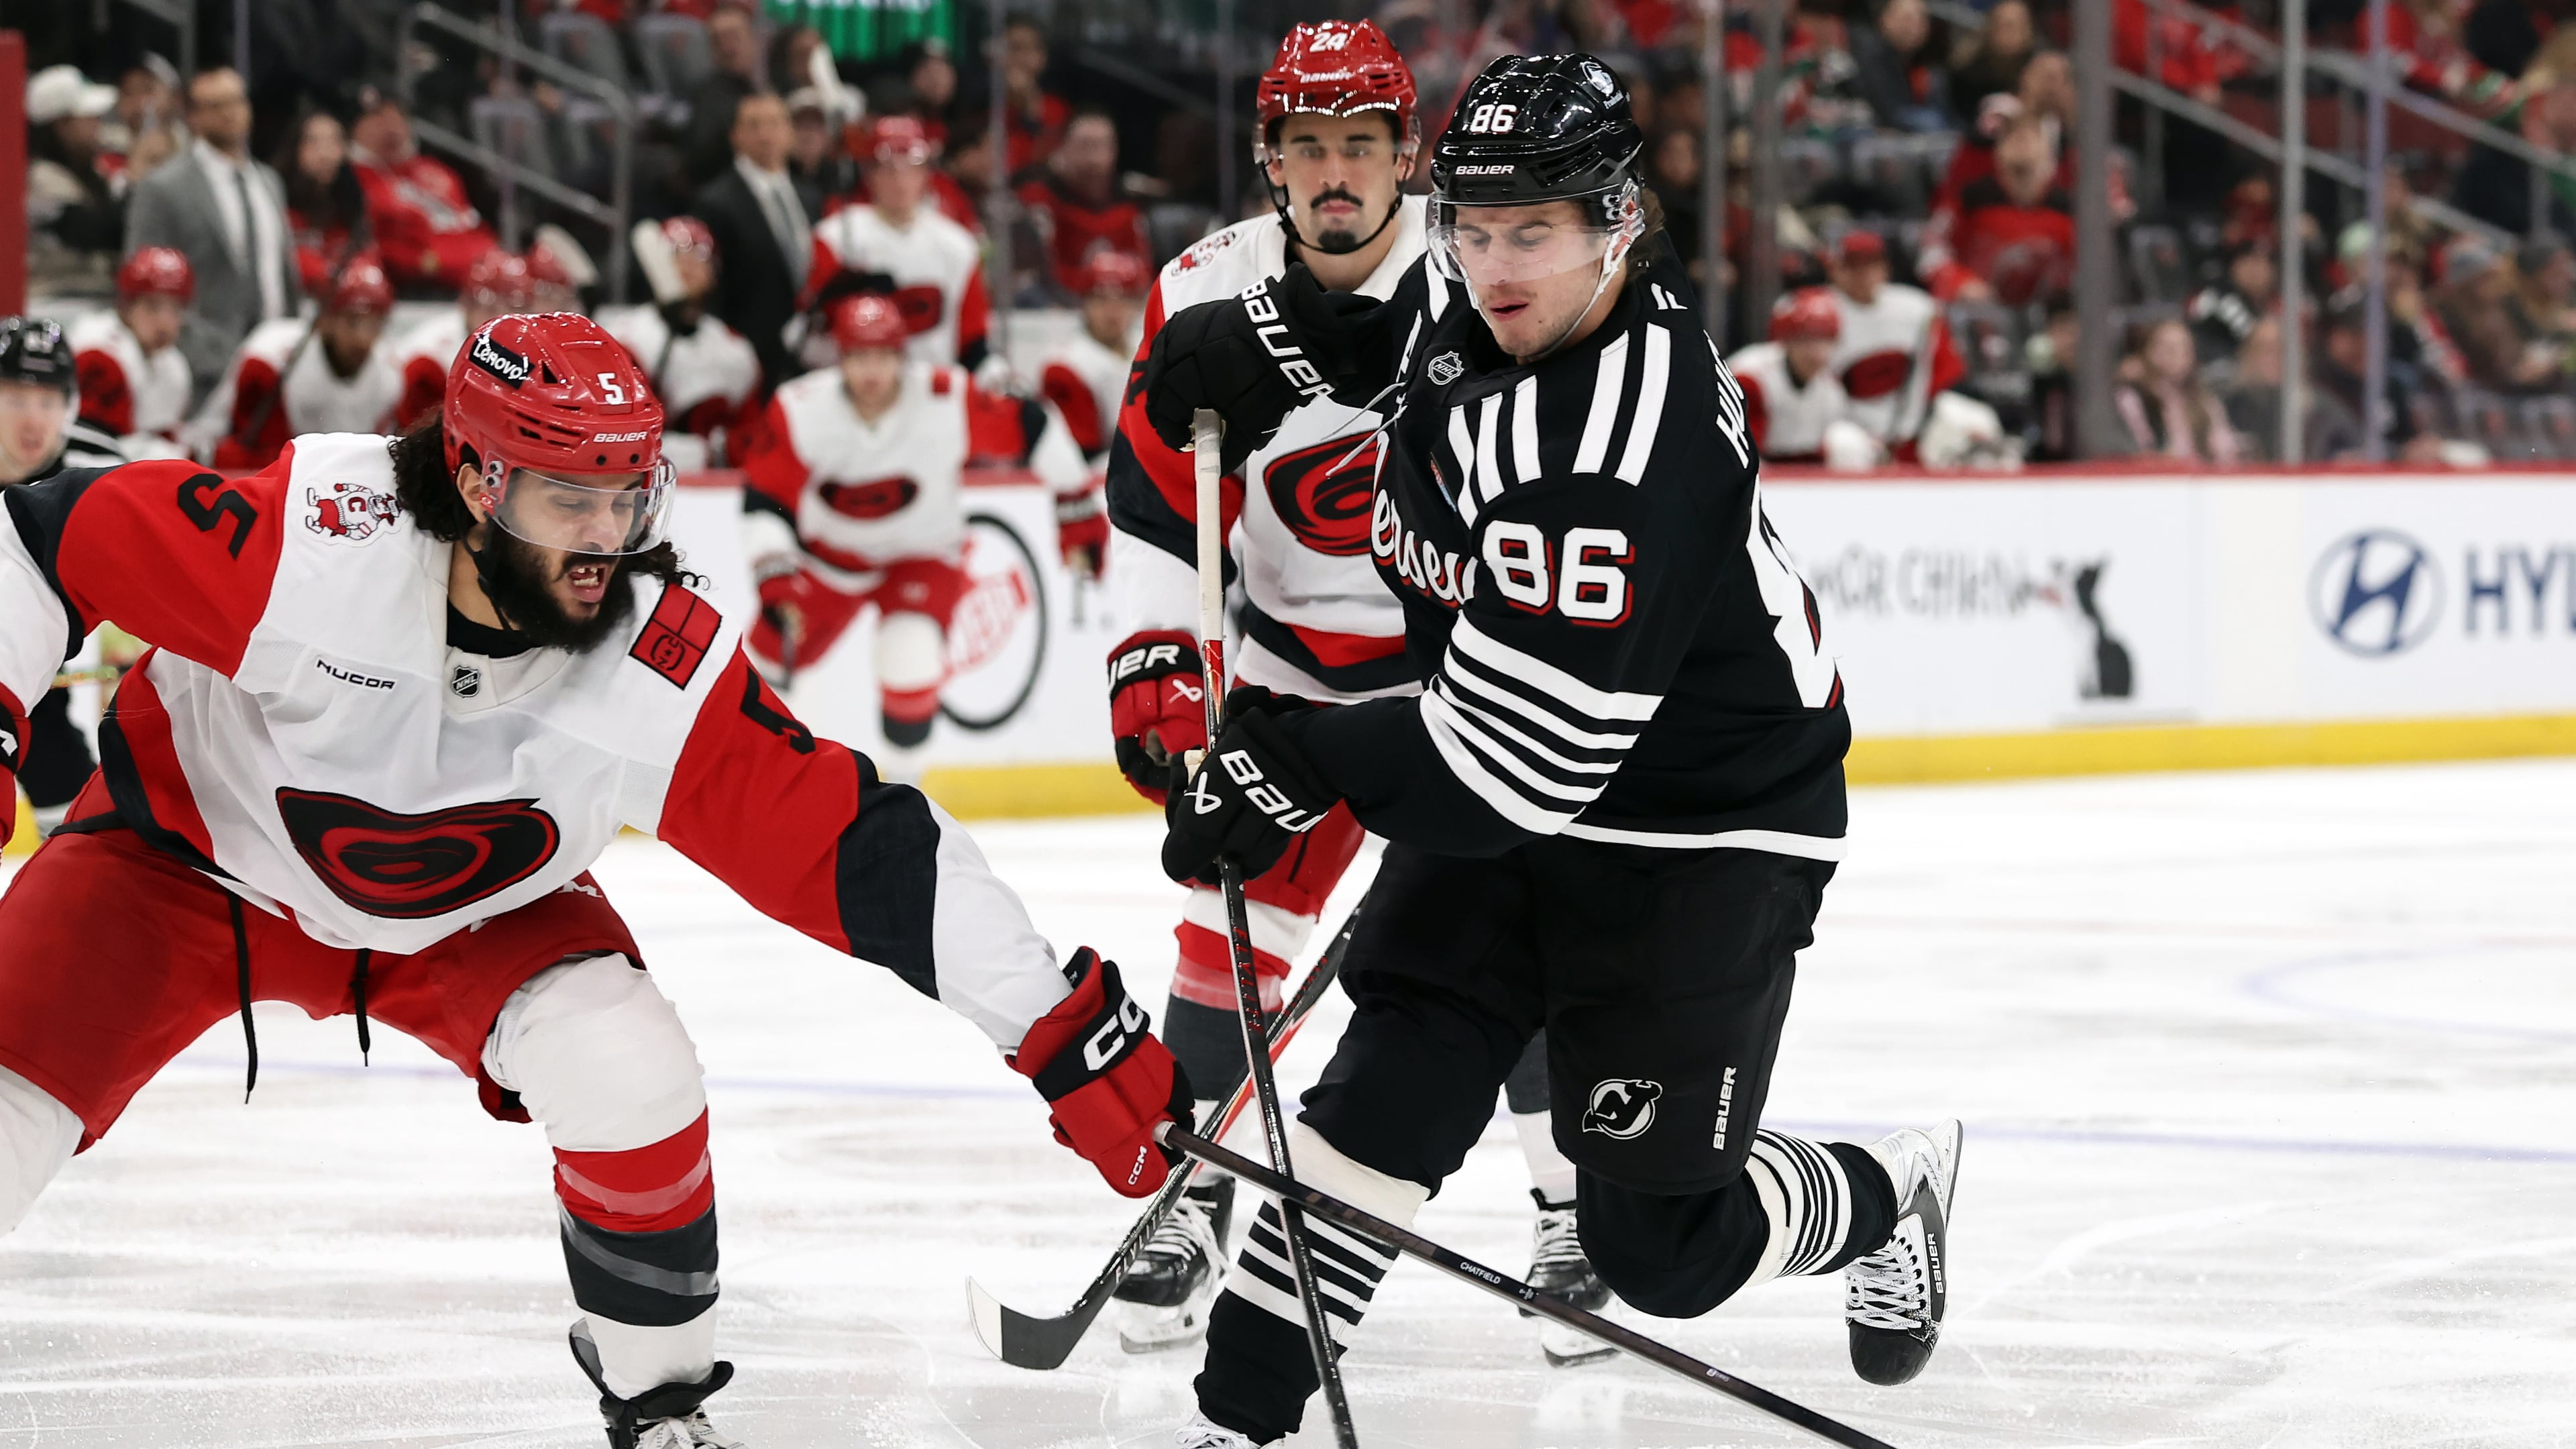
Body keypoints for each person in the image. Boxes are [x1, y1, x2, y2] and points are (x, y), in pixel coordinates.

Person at [0, 310, 1191, 1449]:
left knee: (631, 1067)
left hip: (485, 912)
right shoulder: (315, 542)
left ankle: (659, 1403)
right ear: (474, 481)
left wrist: (1059, 1025)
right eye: (570, 497)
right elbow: (43, 539)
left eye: (629, 495)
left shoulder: (647, 656)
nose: (605, 540)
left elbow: (851, 842)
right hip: (182, 868)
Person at [1133, 54, 1960, 1447]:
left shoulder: (1617, 452)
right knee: (1381, 1095)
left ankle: (1891, 1186)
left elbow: (1521, 769)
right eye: (1474, 226)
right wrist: (1277, 343)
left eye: (1536, 233)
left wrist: (1300, 755)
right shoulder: (1481, 289)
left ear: (1618, 224)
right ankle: (1243, 1419)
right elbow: (1405, 339)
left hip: (1697, 830)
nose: (1494, 264)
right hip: (1520, 755)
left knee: (1659, 1254)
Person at [1103, 25, 1633, 1371]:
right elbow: (1155, 508)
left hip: (1463, 664)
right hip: (1285, 661)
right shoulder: (1196, 284)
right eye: (1308, 147)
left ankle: (1573, 1211)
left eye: (1361, 145)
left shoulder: (1486, 266)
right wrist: (1156, 658)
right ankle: (1200, 1186)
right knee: (1224, 925)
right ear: (1271, 160)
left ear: (1407, 153)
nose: (1336, 174)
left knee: (1503, 929)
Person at [737, 294, 1099, 775]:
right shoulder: (799, 408)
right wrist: (775, 569)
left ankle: (903, 795)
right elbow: (763, 499)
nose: (872, 372)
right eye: (859, 357)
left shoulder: (946, 399)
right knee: (762, 661)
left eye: (883, 356)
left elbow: (1034, 426)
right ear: (841, 357)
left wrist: (1075, 507)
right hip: (828, 559)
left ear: (902, 356)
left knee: (909, 655)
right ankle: (756, 777)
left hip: (922, 555)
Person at [0, 318, 124, 840]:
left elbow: (132, 582)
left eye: (48, 402)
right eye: (16, 398)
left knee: (82, 834)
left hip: (42, 674)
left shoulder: (101, 466)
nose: (34, 420)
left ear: (70, 406)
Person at [124, 66, 303, 392]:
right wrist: (203, 357)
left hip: (276, 366)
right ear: (192, 117)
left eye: (236, 102)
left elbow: (281, 274)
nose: (230, 114)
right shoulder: (164, 188)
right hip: (203, 371)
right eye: (216, 106)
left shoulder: (268, 181)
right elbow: (140, 285)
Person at [805, 116, 996, 374]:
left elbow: (973, 344)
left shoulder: (958, 246)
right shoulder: (836, 238)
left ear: (926, 174)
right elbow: (809, 343)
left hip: (929, 393)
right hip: (855, 390)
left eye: (911, 166)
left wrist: (1001, 384)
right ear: (870, 174)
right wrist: (835, 304)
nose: (900, 179)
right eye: (888, 168)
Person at [189, 256, 402, 470]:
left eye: (376, 324)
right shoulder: (270, 359)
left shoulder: (389, 371)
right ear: (325, 319)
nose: (364, 338)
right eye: (352, 322)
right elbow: (257, 456)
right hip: (230, 461)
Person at [597, 216, 763, 470]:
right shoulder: (625, 337)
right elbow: (615, 430)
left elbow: (750, 436)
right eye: (675, 253)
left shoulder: (735, 348)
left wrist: (722, 449)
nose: (687, 262)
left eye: (699, 254)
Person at [695, 91, 820, 399]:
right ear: (735, 136)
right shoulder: (715, 203)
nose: (765, 135)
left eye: (775, 123)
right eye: (754, 125)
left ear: (790, 134)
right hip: (748, 355)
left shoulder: (812, 198)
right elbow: (711, 288)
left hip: (807, 353)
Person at [347, 91, 503, 293]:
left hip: (469, 282)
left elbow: (477, 232)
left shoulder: (439, 173)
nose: (391, 126)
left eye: (399, 116)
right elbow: (403, 257)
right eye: (379, 116)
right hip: (414, 292)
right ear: (355, 127)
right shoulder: (355, 180)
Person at [1826, 229, 1964, 454]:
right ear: (1834, 270)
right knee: (1845, 445)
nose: (1863, 274)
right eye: (1852, 266)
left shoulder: (1918, 309)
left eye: (1870, 265)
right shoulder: (1817, 309)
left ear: (1885, 268)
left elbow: (1945, 371)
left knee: (1971, 421)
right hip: (1847, 433)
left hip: (1910, 432)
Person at [1920, 116, 2075, 305]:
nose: (2022, 142)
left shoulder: (2069, 212)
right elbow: (1932, 251)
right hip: (1981, 313)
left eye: (2032, 136)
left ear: (2050, 153)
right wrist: (1961, 283)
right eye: (2012, 135)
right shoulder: (1970, 201)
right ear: (1998, 150)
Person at [390, 248, 547, 432]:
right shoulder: (429, 354)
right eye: (491, 308)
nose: (501, 318)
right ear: (467, 307)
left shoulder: (536, 348)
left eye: (514, 309)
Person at [70, 248, 197, 460]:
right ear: (126, 305)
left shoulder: (173, 365)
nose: (164, 322)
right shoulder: (99, 353)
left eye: (175, 309)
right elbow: (93, 446)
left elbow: (164, 435)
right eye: (153, 307)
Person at [1015, 109, 1150, 299]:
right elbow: (1038, 272)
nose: (1093, 159)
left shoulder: (1129, 207)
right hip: (1055, 310)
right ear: (1064, 148)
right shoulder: (1039, 199)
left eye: (1101, 146)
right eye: (1085, 146)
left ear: (1114, 151)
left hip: (1119, 308)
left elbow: (1143, 273)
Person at [1734, 288, 1878, 464]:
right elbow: (1737, 452)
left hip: (1792, 471)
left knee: (1848, 441)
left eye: (1825, 340)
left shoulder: (1829, 387)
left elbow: (1814, 453)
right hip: (1740, 470)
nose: (1817, 352)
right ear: (1786, 340)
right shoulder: (1752, 377)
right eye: (1806, 340)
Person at [1038, 249, 1150, 465]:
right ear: (1084, 303)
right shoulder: (1065, 365)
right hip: (1095, 474)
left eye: (1123, 299)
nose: (1112, 310)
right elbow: (1080, 453)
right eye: (1101, 299)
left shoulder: (1152, 349)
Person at [24, 65, 126, 260]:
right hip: (52, 286)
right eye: (88, 117)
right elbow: (97, 234)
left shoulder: (89, 169)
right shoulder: (40, 178)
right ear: (61, 125)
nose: (98, 123)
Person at [2114, 316, 2245, 463]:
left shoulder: (2205, 402)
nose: (2177, 355)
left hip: (2200, 481)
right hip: (2157, 482)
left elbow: (2225, 450)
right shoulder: (2132, 399)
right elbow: (2133, 454)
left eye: (2184, 348)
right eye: (2167, 348)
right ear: (2146, 351)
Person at [280, 107, 372, 288]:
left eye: (334, 142)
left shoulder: (355, 203)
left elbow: (370, 265)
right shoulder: (276, 202)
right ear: (295, 147)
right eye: (313, 142)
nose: (324, 154)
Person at [999, 17, 1071, 176]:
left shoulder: (1058, 109)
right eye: (1013, 48)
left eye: (1027, 49)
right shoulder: (986, 107)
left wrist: (1029, 110)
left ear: (1042, 57)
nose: (1019, 58)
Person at [2187, 243, 2277, 366]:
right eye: (2250, 262)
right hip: (2210, 366)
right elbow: (2255, 340)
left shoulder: (2259, 303)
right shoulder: (2221, 295)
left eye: (2264, 265)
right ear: (2234, 266)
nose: (2257, 272)